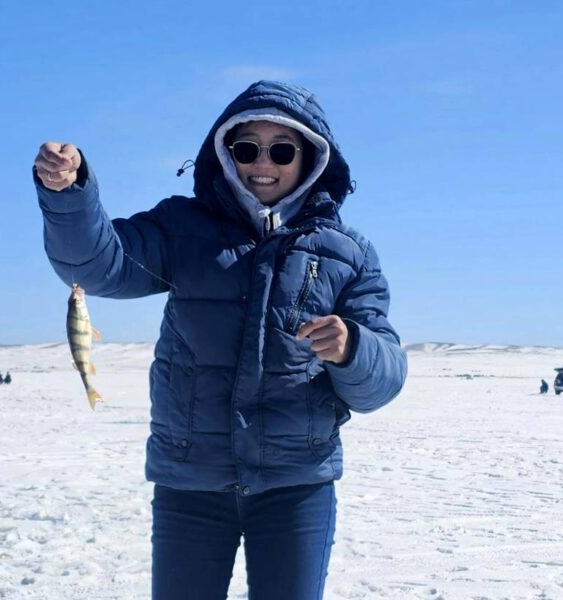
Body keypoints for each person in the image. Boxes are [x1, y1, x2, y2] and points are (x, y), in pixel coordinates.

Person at [34, 80, 407, 600]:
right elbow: (94, 266)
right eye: (247, 147)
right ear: (225, 153)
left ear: (311, 159)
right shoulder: (181, 228)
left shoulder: (348, 254)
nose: (263, 163)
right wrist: (68, 196)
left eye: (281, 150)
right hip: (190, 482)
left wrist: (352, 350)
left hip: (295, 487)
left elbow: (382, 382)